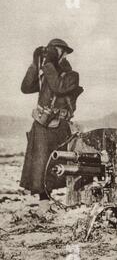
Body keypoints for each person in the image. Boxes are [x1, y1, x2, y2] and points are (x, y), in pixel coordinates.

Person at [20, 38, 83, 213]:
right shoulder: (47, 73)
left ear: (63, 53)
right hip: (42, 124)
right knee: (39, 166)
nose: (52, 54)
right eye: (50, 50)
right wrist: (35, 63)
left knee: (61, 165)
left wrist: (47, 64)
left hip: (59, 126)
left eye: (54, 51)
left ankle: (72, 204)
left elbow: (58, 88)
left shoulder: (71, 75)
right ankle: (44, 205)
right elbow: (25, 88)